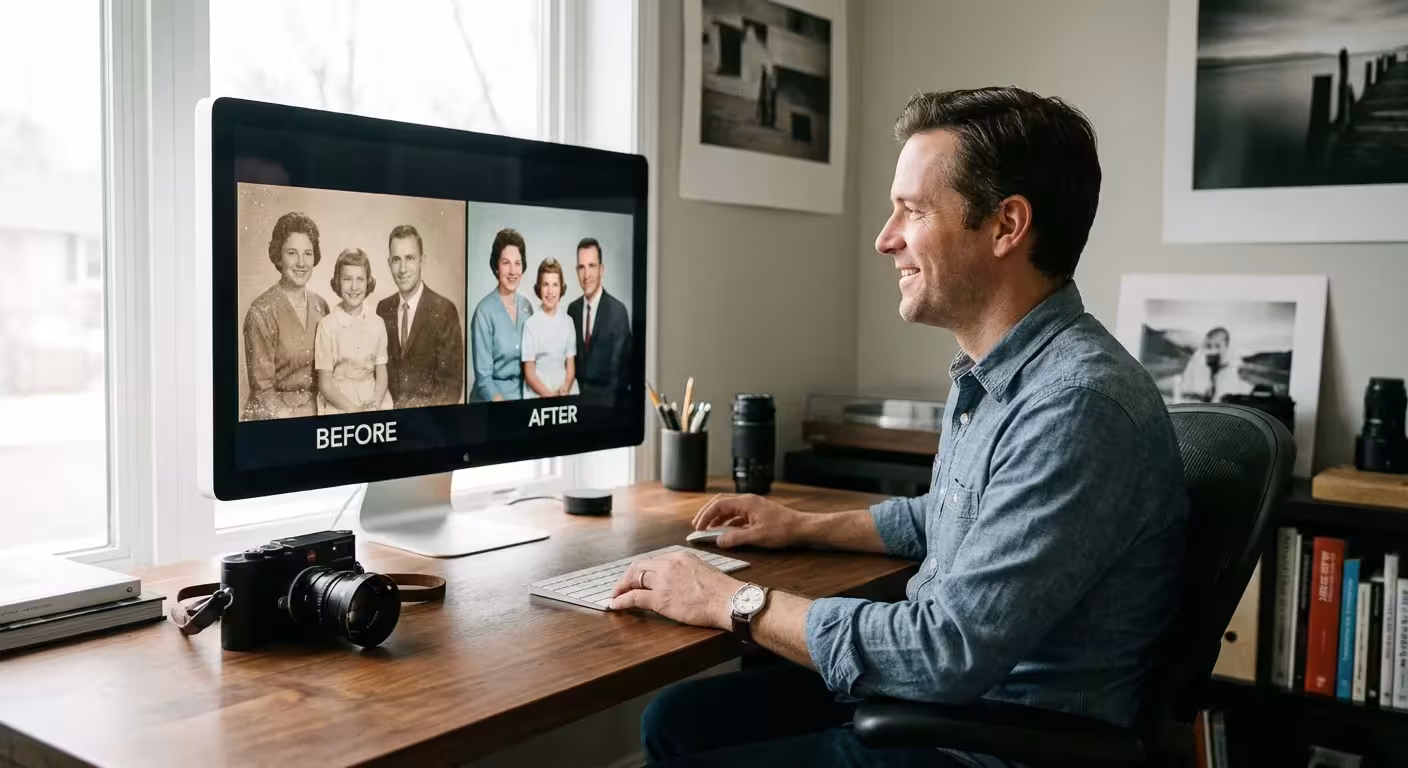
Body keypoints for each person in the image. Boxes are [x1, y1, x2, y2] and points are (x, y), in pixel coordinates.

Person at [607, 87, 1190, 767]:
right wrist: (801, 524)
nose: (886, 239)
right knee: (676, 721)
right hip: (942, 705)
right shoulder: (998, 374)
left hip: (985, 740)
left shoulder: (1077, 406)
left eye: (912, 210)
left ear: (1006, 226)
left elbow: (944, 651)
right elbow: (955, 516)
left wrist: (729, 600)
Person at [241, 211, 331, 421]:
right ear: (278, 256)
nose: (301, 262)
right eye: (292, 253)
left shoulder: (321, 306)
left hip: (316, 412)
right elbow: (263, 391)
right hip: (275, 417)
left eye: (308, 253)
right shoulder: (261, 311)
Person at [375, 224, 465, 409]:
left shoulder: (444, 310)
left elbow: (451, 387)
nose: (402, 269)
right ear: (388, 263)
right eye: (396, 260)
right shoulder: (383, 310)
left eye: (409, 258)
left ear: (422, 261)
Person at [314, 248, 391, 415]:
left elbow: (382, 374)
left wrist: (375, 405)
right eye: (347, 279)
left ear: (368, 282)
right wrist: (355, 411)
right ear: (338, 282)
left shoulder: (377, 323)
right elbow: (325, 385)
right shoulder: (327, 326)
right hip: (340, 401)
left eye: (360, 279)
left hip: (373, 398)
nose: (354, 287)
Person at [469, 228, 534, 402]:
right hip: (492, 403)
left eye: (517, 263)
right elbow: (484, 381)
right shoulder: (483, 312)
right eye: (506, 263)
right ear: (496, 267)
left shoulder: (528, 308)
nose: (513, 271)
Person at [566, 237, 631, 406]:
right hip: (575, 412)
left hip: (607, 413)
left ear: (601, 270)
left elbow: (620, 377)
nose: (586, 275)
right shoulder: (572, 311)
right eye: (581, 267)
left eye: (592, 266)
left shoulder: (618, 312)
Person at [521, 258, 578, 399]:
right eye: (545, 284)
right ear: (539, 288)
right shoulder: (531, 324)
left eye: (555, 285)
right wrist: (548, 395)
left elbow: (570, 367)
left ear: (561, 288)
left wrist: (565, 388)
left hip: (564, 388)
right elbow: (529, 372)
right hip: (538, 390)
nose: (550, 291)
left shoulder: (568, 322)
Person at [1174, 326, 1248, 403]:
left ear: (1226, 347)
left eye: (1217, 346)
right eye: (1209, 346)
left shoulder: (1236, 369)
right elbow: (1184, 390)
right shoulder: (1197, 361)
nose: (1213, 350)